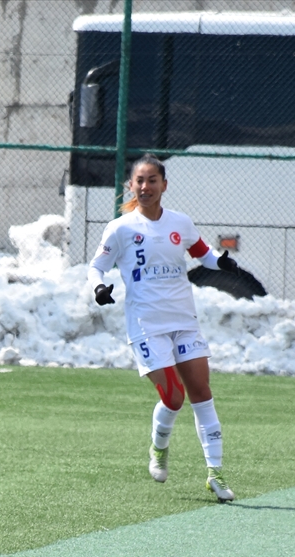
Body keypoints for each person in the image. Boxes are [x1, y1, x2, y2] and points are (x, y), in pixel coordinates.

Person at [87, 154, 240, 502]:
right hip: (146, 324)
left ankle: (215, 474)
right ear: (131, 185)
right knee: (173, 396)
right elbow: (96, 267)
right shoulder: (120, 228)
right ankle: (158, 447)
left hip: (183, 320)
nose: (146, 187)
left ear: (164, 185)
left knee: (202, 393)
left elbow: (204, 253)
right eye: (140, 181)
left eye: (152, 180)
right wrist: (99, 288)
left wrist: (221, 262)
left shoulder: (180, 223)